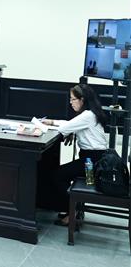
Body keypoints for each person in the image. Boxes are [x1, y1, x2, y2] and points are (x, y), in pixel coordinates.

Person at [41, 84, 107, 226]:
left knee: (58, 175)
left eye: (73, 99)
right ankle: (70, 208)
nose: (71, 103)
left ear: (82, 100)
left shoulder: (87, 115)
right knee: (60, 173)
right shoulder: (91, 114)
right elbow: (71, 124)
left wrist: (68, 129)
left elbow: (66, 126)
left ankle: (72, 211)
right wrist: (53, 122)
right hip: (94, 159)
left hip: (91, 164)